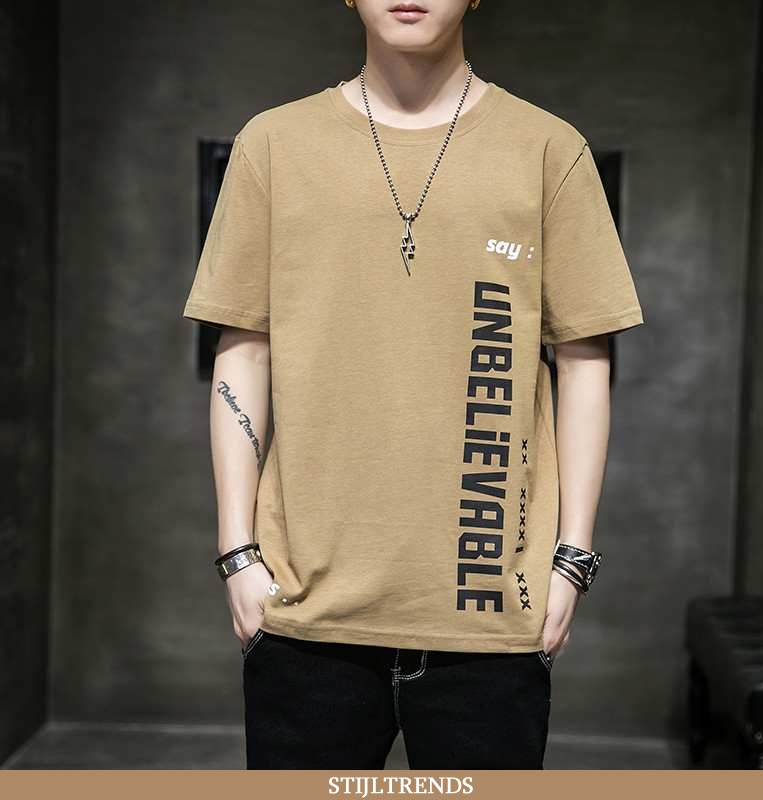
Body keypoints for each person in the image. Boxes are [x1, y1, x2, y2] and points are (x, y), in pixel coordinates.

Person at [182, 0, 644, 770]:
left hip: (490, 615)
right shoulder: (274, 145)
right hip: (304, 616)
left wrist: (572, 562)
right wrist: (237, 554)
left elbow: (585, 363)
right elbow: (243, 352)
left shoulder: (548, 149)